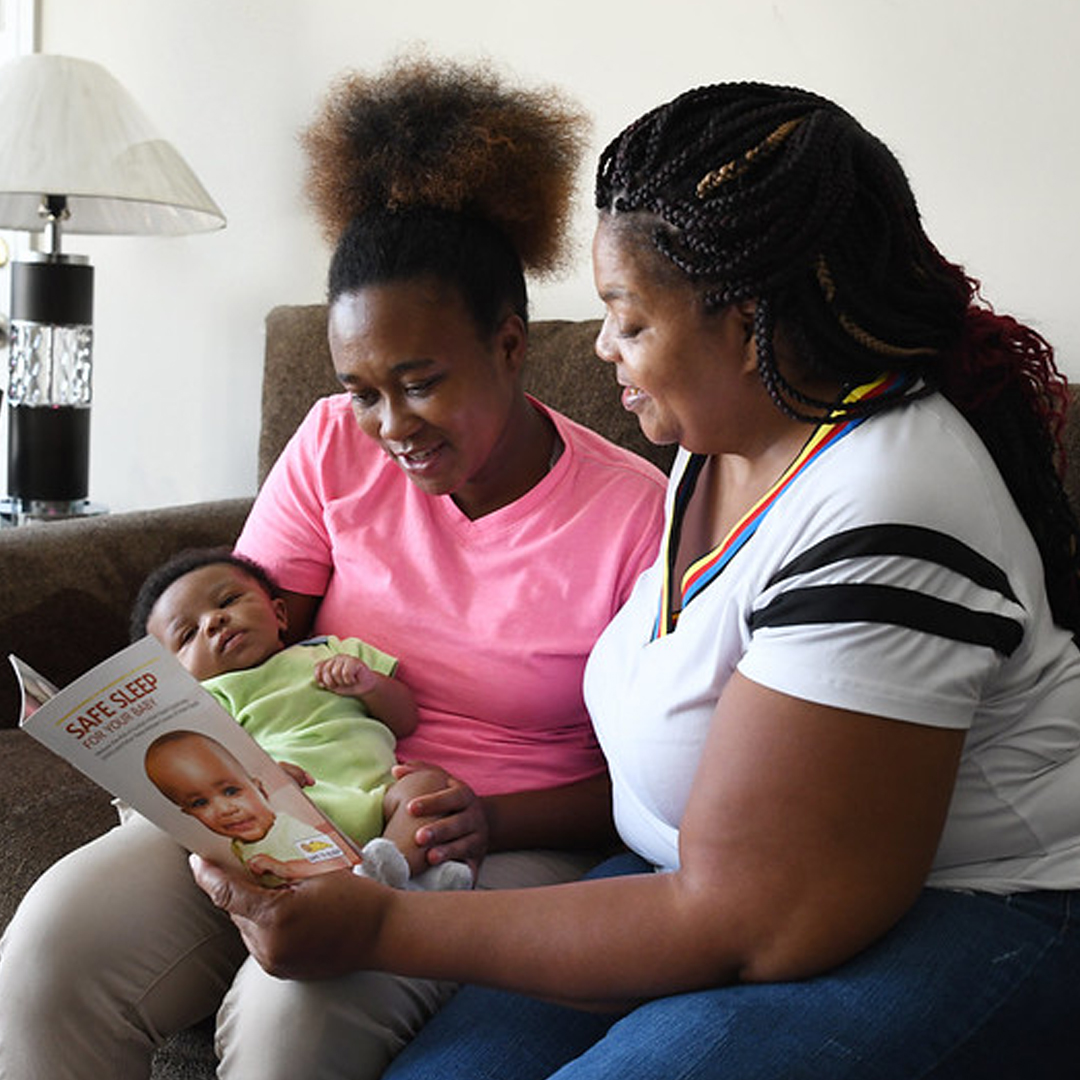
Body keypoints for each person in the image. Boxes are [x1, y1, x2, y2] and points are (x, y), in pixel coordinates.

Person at [192, 81, 1080, 1079]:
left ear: (748, 321)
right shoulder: (722, 442)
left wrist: (376, 927)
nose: (603, 346)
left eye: (627, 317)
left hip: (971, 912)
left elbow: (752, 922)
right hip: (686, 881)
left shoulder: (891, 505)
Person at [0, 55, 666, 1080]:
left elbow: (644, 779)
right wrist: (162, 743)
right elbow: (243, 630)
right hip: (287, 797)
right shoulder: (332, 442)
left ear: (511, 344)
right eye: (361, 388)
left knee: (292, 1019)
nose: (388, 427)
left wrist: (488, 814)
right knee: (50, 950)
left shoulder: (635, 517)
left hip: (475, 836)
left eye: (419, 383)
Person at [134, 548, 471, 890]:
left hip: (379, 796)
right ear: (179, 676)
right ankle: (391, 886)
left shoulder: (331, 651)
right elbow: (216, 768)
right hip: (299, 807)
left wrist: (369, 686)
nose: (214, 621)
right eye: (188, 634)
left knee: (428, 786)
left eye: (229, 600)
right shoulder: (211, 699)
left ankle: (390, 876)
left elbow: (405, 720)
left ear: (279, 614)